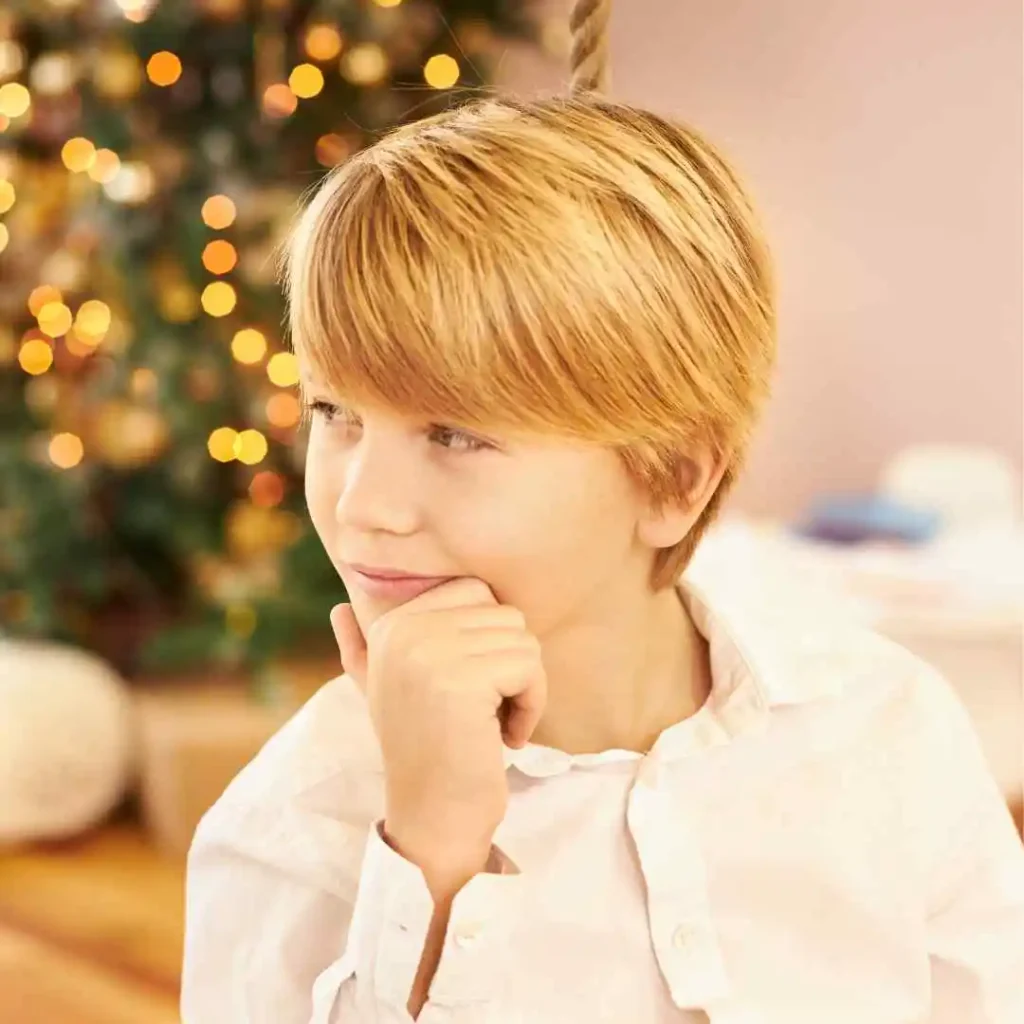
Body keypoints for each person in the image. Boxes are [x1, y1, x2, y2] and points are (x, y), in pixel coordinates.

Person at [179, 85, 1024, 1024]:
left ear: (672, 482)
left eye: (454, 435)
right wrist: (432, 853)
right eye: (335, 415)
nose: (361, 505)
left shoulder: (889, 733)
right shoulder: (292, 827)